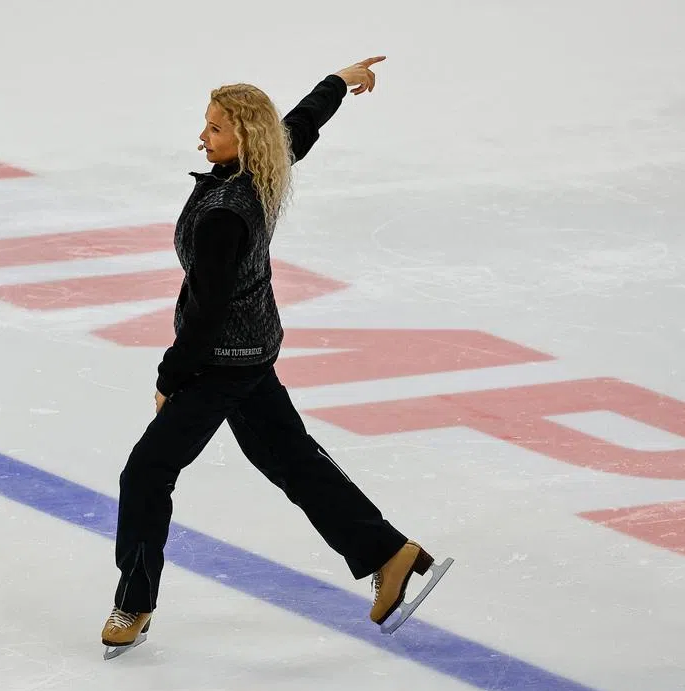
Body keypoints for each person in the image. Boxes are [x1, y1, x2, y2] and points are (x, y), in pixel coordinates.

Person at [101, 57, 451, 655]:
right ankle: (389, 554)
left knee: (146, 473)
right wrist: (339, 82)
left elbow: (207, 311)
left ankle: (134, 602)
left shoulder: (224, 214)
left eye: (214, 128)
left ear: (243, 136)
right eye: (206, 125)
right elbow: (302, 123)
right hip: (253, 349)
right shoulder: (264, 167)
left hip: (221, 360)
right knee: (290, 460)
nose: (202, 136)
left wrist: (171, 375)